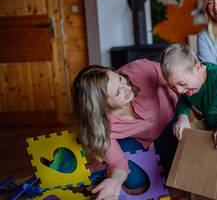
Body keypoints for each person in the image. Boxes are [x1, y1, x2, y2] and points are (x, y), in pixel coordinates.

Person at [72, 59, 179, 200]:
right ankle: (104, 169)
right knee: (136, 182)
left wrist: (190, 108)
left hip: (168, 118)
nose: (127, 88)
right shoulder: (103, 126)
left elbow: (177, 78)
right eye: (117, 92)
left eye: (120, 79)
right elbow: (118, 163)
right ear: (103, 106)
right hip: (137, 137)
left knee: (175, 176)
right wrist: (115, 180)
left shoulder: (140, 70)